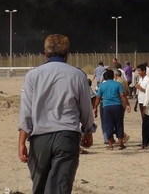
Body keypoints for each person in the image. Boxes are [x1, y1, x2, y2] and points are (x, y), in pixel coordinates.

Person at [18, 34, 97, 194]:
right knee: (60, 187)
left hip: (39, 139)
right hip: (67, 137)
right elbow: (86, 108)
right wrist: (88, 131)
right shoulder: (78, 75)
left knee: (39, 186)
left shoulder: (32, 76)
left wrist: (21, 141)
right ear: (67, 54)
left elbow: (25, 111)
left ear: (45, 53)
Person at [93, 69, 131, 150]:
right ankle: (120, 144)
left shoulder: (102, 86)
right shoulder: (118, 84)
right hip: (117, 106)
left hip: (106, 107)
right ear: (113, 76)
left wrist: (95, 107)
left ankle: (110, 145)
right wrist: (127, 104)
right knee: (119, 124)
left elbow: (98, 97)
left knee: (108, 125)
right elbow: (122, 95)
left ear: (105, 77)